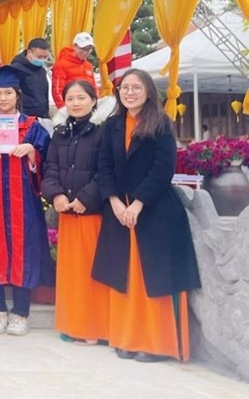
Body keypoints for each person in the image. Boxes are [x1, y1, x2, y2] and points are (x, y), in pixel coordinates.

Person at [92, 68, 201, 363]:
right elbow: (104, 167)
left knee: (152, 277)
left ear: (149, 91)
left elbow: (163, 169)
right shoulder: (112, 125)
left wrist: (138, 203)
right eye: (125, 88)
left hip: (153, 210)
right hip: (119, 211)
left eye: (136, 88)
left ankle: (157, 344)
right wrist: (114, 202)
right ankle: (128, 339)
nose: (130, 93)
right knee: (125, 276)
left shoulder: (161, 123)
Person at [0, 64, 51, 337]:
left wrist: (32, 152)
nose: (3, 98)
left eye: (8, 93)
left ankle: (21, 312)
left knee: (24, 250)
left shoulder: (33, 127)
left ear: (17, 95)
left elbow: (47, 163)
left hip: (24, 202)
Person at [42, 79, 113, 345]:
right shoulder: (60, 132)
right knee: (71, 273)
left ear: (93, 100)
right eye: (70, 99)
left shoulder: (103, 131)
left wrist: (86, 198)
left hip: (92, 212)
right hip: (67, 212)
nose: (75, 103)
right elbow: (50, 167)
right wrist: (56, 195)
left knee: (92, 271)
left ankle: (93, 327)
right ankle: (72, 325)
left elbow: (107, 170)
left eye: (81, 98)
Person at [51, 32, 97, 109]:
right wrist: (65, 110)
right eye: (82, 48)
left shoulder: (88, 66)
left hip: (87, 108)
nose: (85, 52)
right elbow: (57, 91)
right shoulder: (61, 64)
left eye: (88, 49)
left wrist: (95, 105)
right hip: (71, 108)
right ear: (75, 46)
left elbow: (93, 88)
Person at [11, 37, 52, 119]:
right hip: (24, 118)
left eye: (45, 57)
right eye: (39, 57)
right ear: (29, 52)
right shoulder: (16, 69)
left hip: (42, 116)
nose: (42, 60)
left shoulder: (42, 70)